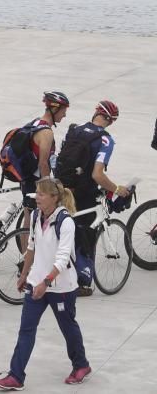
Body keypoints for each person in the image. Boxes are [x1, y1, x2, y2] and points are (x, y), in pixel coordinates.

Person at [0, 177, 90, 390]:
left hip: (60, 287)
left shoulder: (66, 222)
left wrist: (45, 282)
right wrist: (24, 275)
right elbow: (31, 247)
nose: (36, 198)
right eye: (37, 193)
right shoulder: (37, 215)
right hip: (36, 283)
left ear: (54, 198)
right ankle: (16, 376)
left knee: (67, 327)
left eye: (41, 194)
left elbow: (63, 259)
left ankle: (81, 365)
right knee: (26, 330)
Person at [56, 100, 130, 297]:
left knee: (59, 228)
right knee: (84, 234)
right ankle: (83, 282)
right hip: (84, 193)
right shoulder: (105, 140)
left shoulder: (75, 129)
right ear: (110, 120)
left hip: (62, 187)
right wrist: (116, 189)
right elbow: (97, 175)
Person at [17, 91, 70, 251]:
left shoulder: (35, 123)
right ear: (55, 109)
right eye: (63, 111)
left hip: (26, 178)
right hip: (36, 182)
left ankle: (24, 259)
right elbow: (43, 163)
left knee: (28, 219)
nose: (65, 115)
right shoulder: (46, 132)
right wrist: (48, 186)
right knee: (33, 223)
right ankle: (27, 260)